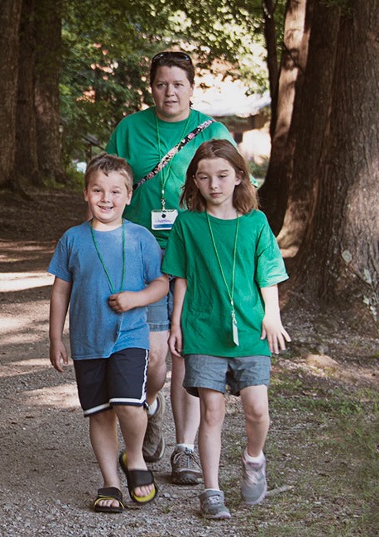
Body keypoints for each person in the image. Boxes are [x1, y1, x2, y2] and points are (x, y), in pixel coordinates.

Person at [106, 50, 237, 484]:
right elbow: (109, 184)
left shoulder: (211, 131)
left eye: (178, 84)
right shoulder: (130, 129)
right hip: (142, 254)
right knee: (156, 359)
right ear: (151, 87)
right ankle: (150, 404)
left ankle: (185, 449)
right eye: (162, 84)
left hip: (197, 253)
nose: (170, 92)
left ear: (191, 87)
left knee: (189, 352)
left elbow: (236, 191)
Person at [162, 139, 290, 519]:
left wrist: (273, 314)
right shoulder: (188, 223)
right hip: (203, 328)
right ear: (195, 182)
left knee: (257, 408)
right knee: (212, 411)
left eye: (222, 176)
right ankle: (212, 490)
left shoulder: (255, 222)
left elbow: (268, 273)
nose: (213, 184)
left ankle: (253, 459)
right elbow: (180, 276)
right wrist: (176, 322)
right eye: (204, 177)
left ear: (238, 177)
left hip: (250, 330)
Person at [48, 153, 169, 513]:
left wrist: (137, 299)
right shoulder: (72, 239)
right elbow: (60, 291)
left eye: (116, 192)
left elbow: (161, 283)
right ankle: (110, 483)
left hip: (130, 336)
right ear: (86, 193)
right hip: (87, 342)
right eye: (98, 190)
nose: (106, 198)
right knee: (99, 413)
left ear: (129, 196)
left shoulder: (141, 238)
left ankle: (134, 458)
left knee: (129, 405)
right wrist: (56, 338)